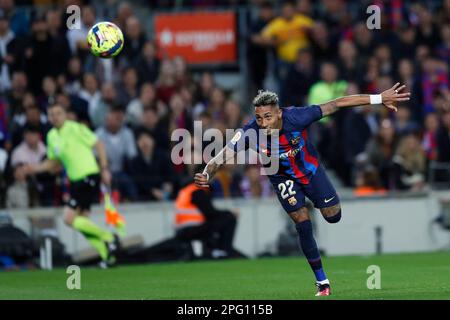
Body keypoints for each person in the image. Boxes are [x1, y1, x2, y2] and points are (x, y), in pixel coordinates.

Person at [194, 83, 410, 296]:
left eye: (267, 117)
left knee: (333, 216)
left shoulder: (298, 116)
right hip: (282, 178)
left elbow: (337, 103)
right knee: (301, 221)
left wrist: (378, 98)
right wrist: (206, 172)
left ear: (279, 113)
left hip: (311, 172)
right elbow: (223, 154)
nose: (263, 123)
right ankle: (322, 282)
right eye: (259, 118)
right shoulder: (250, 131)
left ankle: (312, 202)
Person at [24, 103, 120, 268]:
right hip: (75, 181)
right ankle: (107, 256)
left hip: (88, 175)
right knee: (82, 222)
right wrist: (34, 168)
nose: (55, 117)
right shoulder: (51, 136)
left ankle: (110, 238)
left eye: (58, 113)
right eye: (51, 114)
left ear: (65, 114)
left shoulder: (75, 128)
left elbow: (99, 145)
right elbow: (54, 163)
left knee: (69, 219)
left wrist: (104, 168)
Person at [175, 180, 238, 259]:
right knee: (229, 218)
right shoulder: (198, 191)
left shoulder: (188, 189)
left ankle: (215, 249)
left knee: (221, 220)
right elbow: (210, 213)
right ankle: (223, 250)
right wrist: (230, 213)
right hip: (192, 229)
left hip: (183, 229)